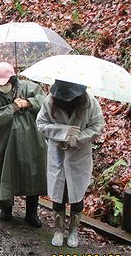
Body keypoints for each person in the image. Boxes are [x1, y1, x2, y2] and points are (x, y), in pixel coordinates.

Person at [36, 80, 104, 248]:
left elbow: (97, 125)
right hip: (57, 154)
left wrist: (77, 139)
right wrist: (62, 132)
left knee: (76, 193)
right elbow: (41, 124)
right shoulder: (49, 101)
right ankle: (59, 230)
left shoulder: (89, 102)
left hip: (79, 155)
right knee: (59, 193)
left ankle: (73, 230)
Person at [0, 62, 47, 227]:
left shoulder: (28, 87)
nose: (2, 85)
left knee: (33, 172)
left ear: (12, 78)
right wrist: (12, 108)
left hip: (31, 140)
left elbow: (44, 101)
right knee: (6, 172)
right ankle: (6, 208)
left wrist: (28, 103)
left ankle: (31, 213)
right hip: (6, 142)